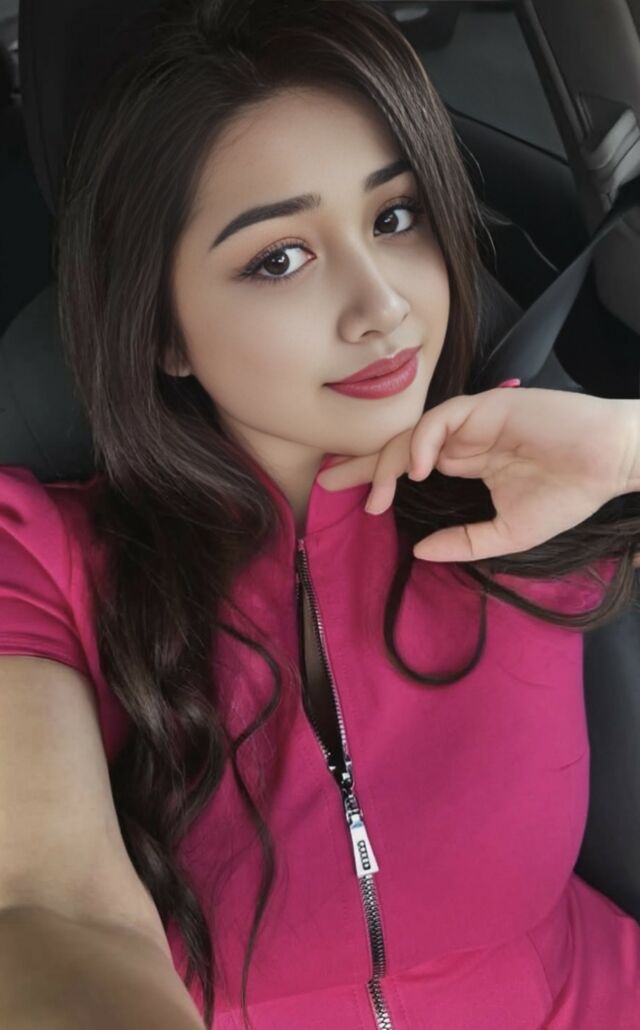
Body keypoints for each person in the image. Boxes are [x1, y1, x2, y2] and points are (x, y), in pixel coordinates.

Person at [1, 1, 640, 1028]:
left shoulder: (527, 479)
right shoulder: (41, 559)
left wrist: (626, 448)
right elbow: (45, 902)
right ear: (163, 332)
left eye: (394, 218)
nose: (382, 305)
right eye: (279, 259)